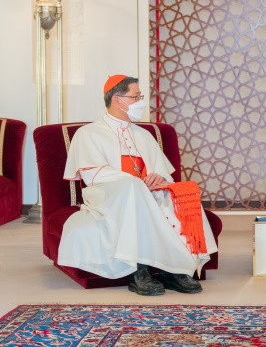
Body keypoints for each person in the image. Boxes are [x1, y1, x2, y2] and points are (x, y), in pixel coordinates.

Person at [58, 75, 218, 296]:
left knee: (181, 191)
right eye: (136, 97)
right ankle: (138, 271)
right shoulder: (89, 133)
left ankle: (175, 270)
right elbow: (93, 175)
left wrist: (156, 178)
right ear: (117, 99)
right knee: (134, 189)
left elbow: (161, 172)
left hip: (144, 190)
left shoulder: (144, 135)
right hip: (109, 194)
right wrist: (137, 182)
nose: (140, 102)